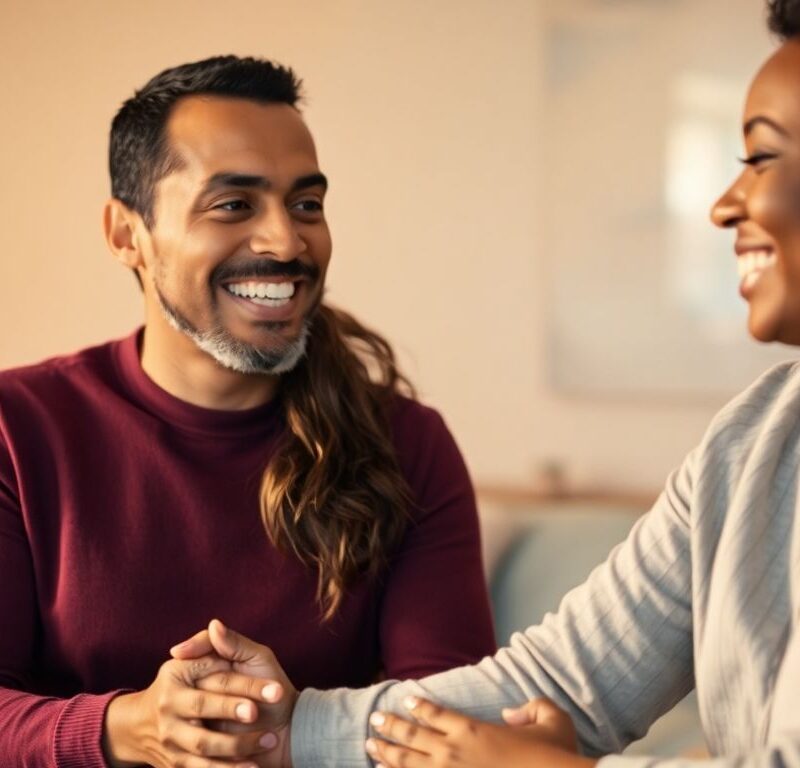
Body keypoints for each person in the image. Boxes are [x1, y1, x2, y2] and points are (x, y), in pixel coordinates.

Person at [168, 2, 800, 766]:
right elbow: (563, 682)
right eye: (233, 204)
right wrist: (288, 728)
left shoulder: (409, 444)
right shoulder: (752, 440)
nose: (724, 203)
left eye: (761, 160)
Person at [0, 56, 497, 767]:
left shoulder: (409, 444)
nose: (287, 242)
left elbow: (451, 723)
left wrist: (298, 731)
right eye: (234, 205)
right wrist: (129, 727)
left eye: (306, 205)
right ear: (125, 235)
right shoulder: (17, 428)